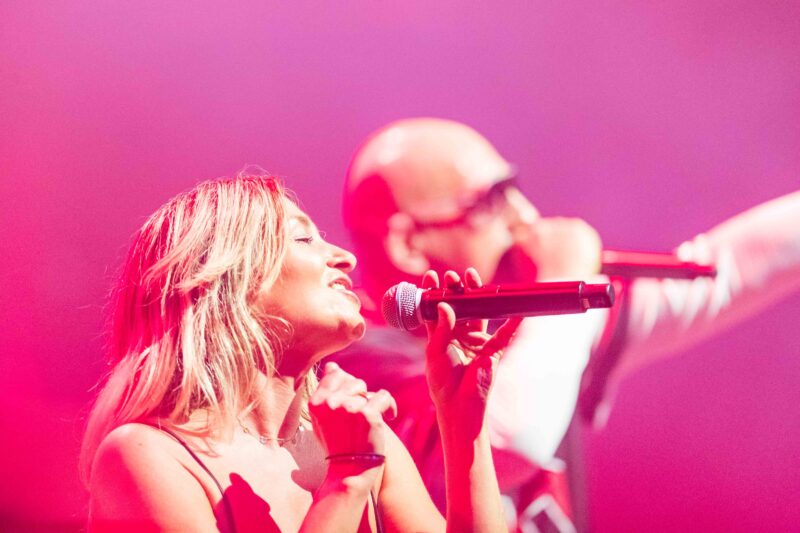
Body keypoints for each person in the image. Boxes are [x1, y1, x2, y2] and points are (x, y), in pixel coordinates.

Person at [334, 117, 800, 531]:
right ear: (408, 243)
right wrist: (563, 276)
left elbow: (720, 275)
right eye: (492, 200)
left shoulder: (528, 326)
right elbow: (508, 441)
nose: (525, 217)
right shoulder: (357, 360)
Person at [80, 169, 523, 532]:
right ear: (229, 281)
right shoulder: (145, 456)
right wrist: (347, 480)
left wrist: (462, 417)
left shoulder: (369, 442)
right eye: (304, 239)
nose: (345, 258)